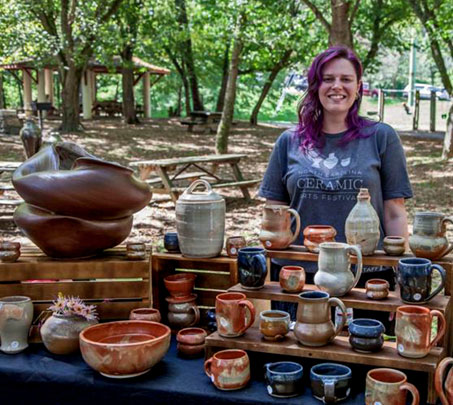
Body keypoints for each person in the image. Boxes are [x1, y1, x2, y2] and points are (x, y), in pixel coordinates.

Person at [258, 46, 413, 327]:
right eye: (328, 79)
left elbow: (395, 213)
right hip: (297, 276)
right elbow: (274, 214)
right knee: (297, 364)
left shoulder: (381, 137)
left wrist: (400, 279)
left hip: (366, 277)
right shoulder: (288, 141)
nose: (336, 86)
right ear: (315, 85)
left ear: (358, 87)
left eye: (346, 79)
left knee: (363, 363)